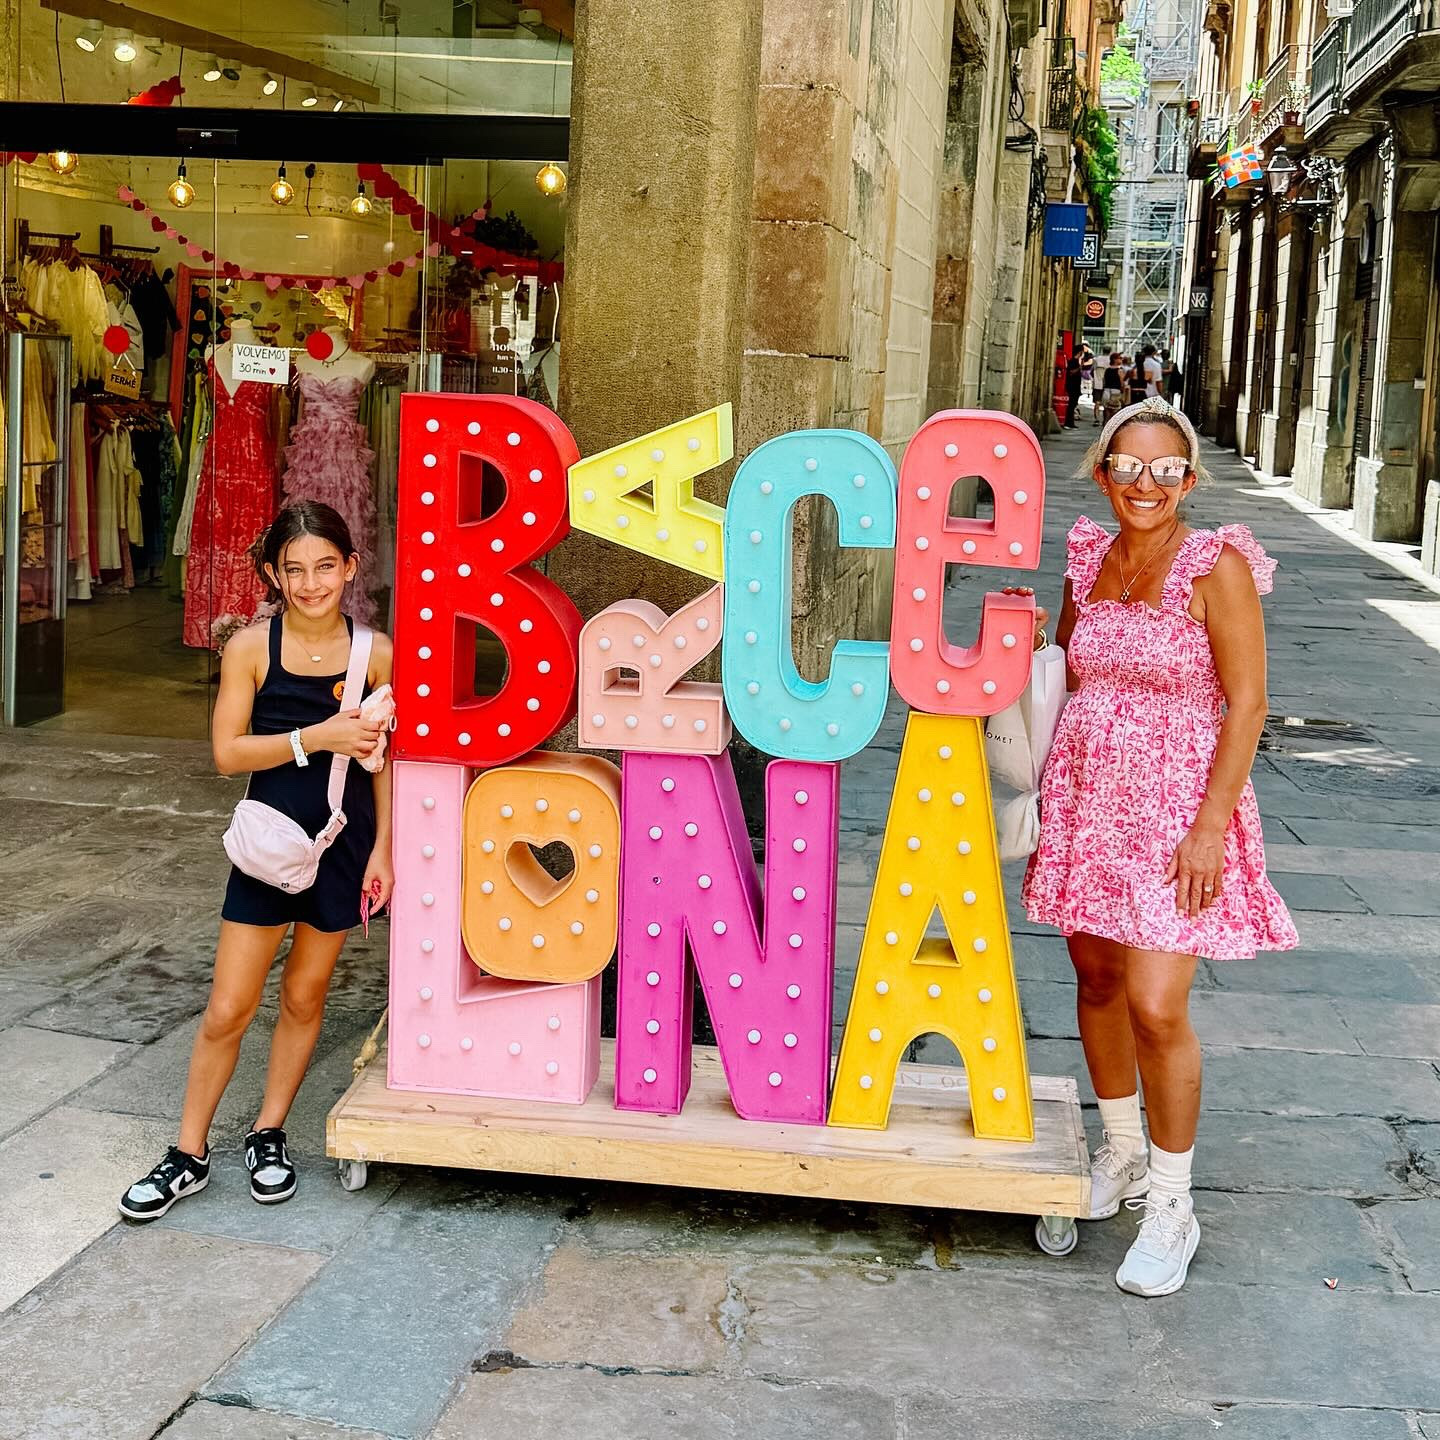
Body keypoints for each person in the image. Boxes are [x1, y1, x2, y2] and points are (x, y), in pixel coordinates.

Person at [1016, 397, 1298, 1297]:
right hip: (1088, 800)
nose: (1147, 484)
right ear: (1102, 473)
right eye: (1129, 467)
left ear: (1189, 477)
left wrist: (1212, 826)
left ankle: (1174, 1204)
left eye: (1166, 469)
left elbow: (1248, 703)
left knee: (1157, 1003)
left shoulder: (1218, 565)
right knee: (1096, 982)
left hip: (1177, 810)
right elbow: (1067, 663)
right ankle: (1125, 1154)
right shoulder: (1087, 557)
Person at [120, 501, 395, 1221]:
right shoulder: (249, 647)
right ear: (274, 573)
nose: (311, 584)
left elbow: (384, 764)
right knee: (227, 1008)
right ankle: (188, 1152)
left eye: (326, 567)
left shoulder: (377, 653)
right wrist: (318, 736)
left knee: (306, 997)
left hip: (342, 845)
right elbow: (226, 753)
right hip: (268, 843)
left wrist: (384, 851)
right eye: (295, 570)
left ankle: (268, 1132)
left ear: (351, 567)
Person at [1099, 352, 1125, 426]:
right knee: (1115, 411)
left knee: (1106, 409)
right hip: (1116, 391)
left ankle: (1105, 423)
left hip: (1106, 391)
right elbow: (1122, 382)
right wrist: (1122, 391)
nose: (1121, 359)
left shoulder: (1107, 370)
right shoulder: (1120, 370)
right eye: (1120, 358)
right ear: (1115, 359)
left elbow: (1104, 381)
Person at [1064, 347, 1084, 428]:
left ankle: (1071, 423)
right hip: (1072, 387)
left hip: (1075, 387)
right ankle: (1068, 423)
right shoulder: (1073, 361)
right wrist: (1080, 367)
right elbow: (1071, 372)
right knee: (1071, 406)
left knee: (1073, 405)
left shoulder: (1076, 362)